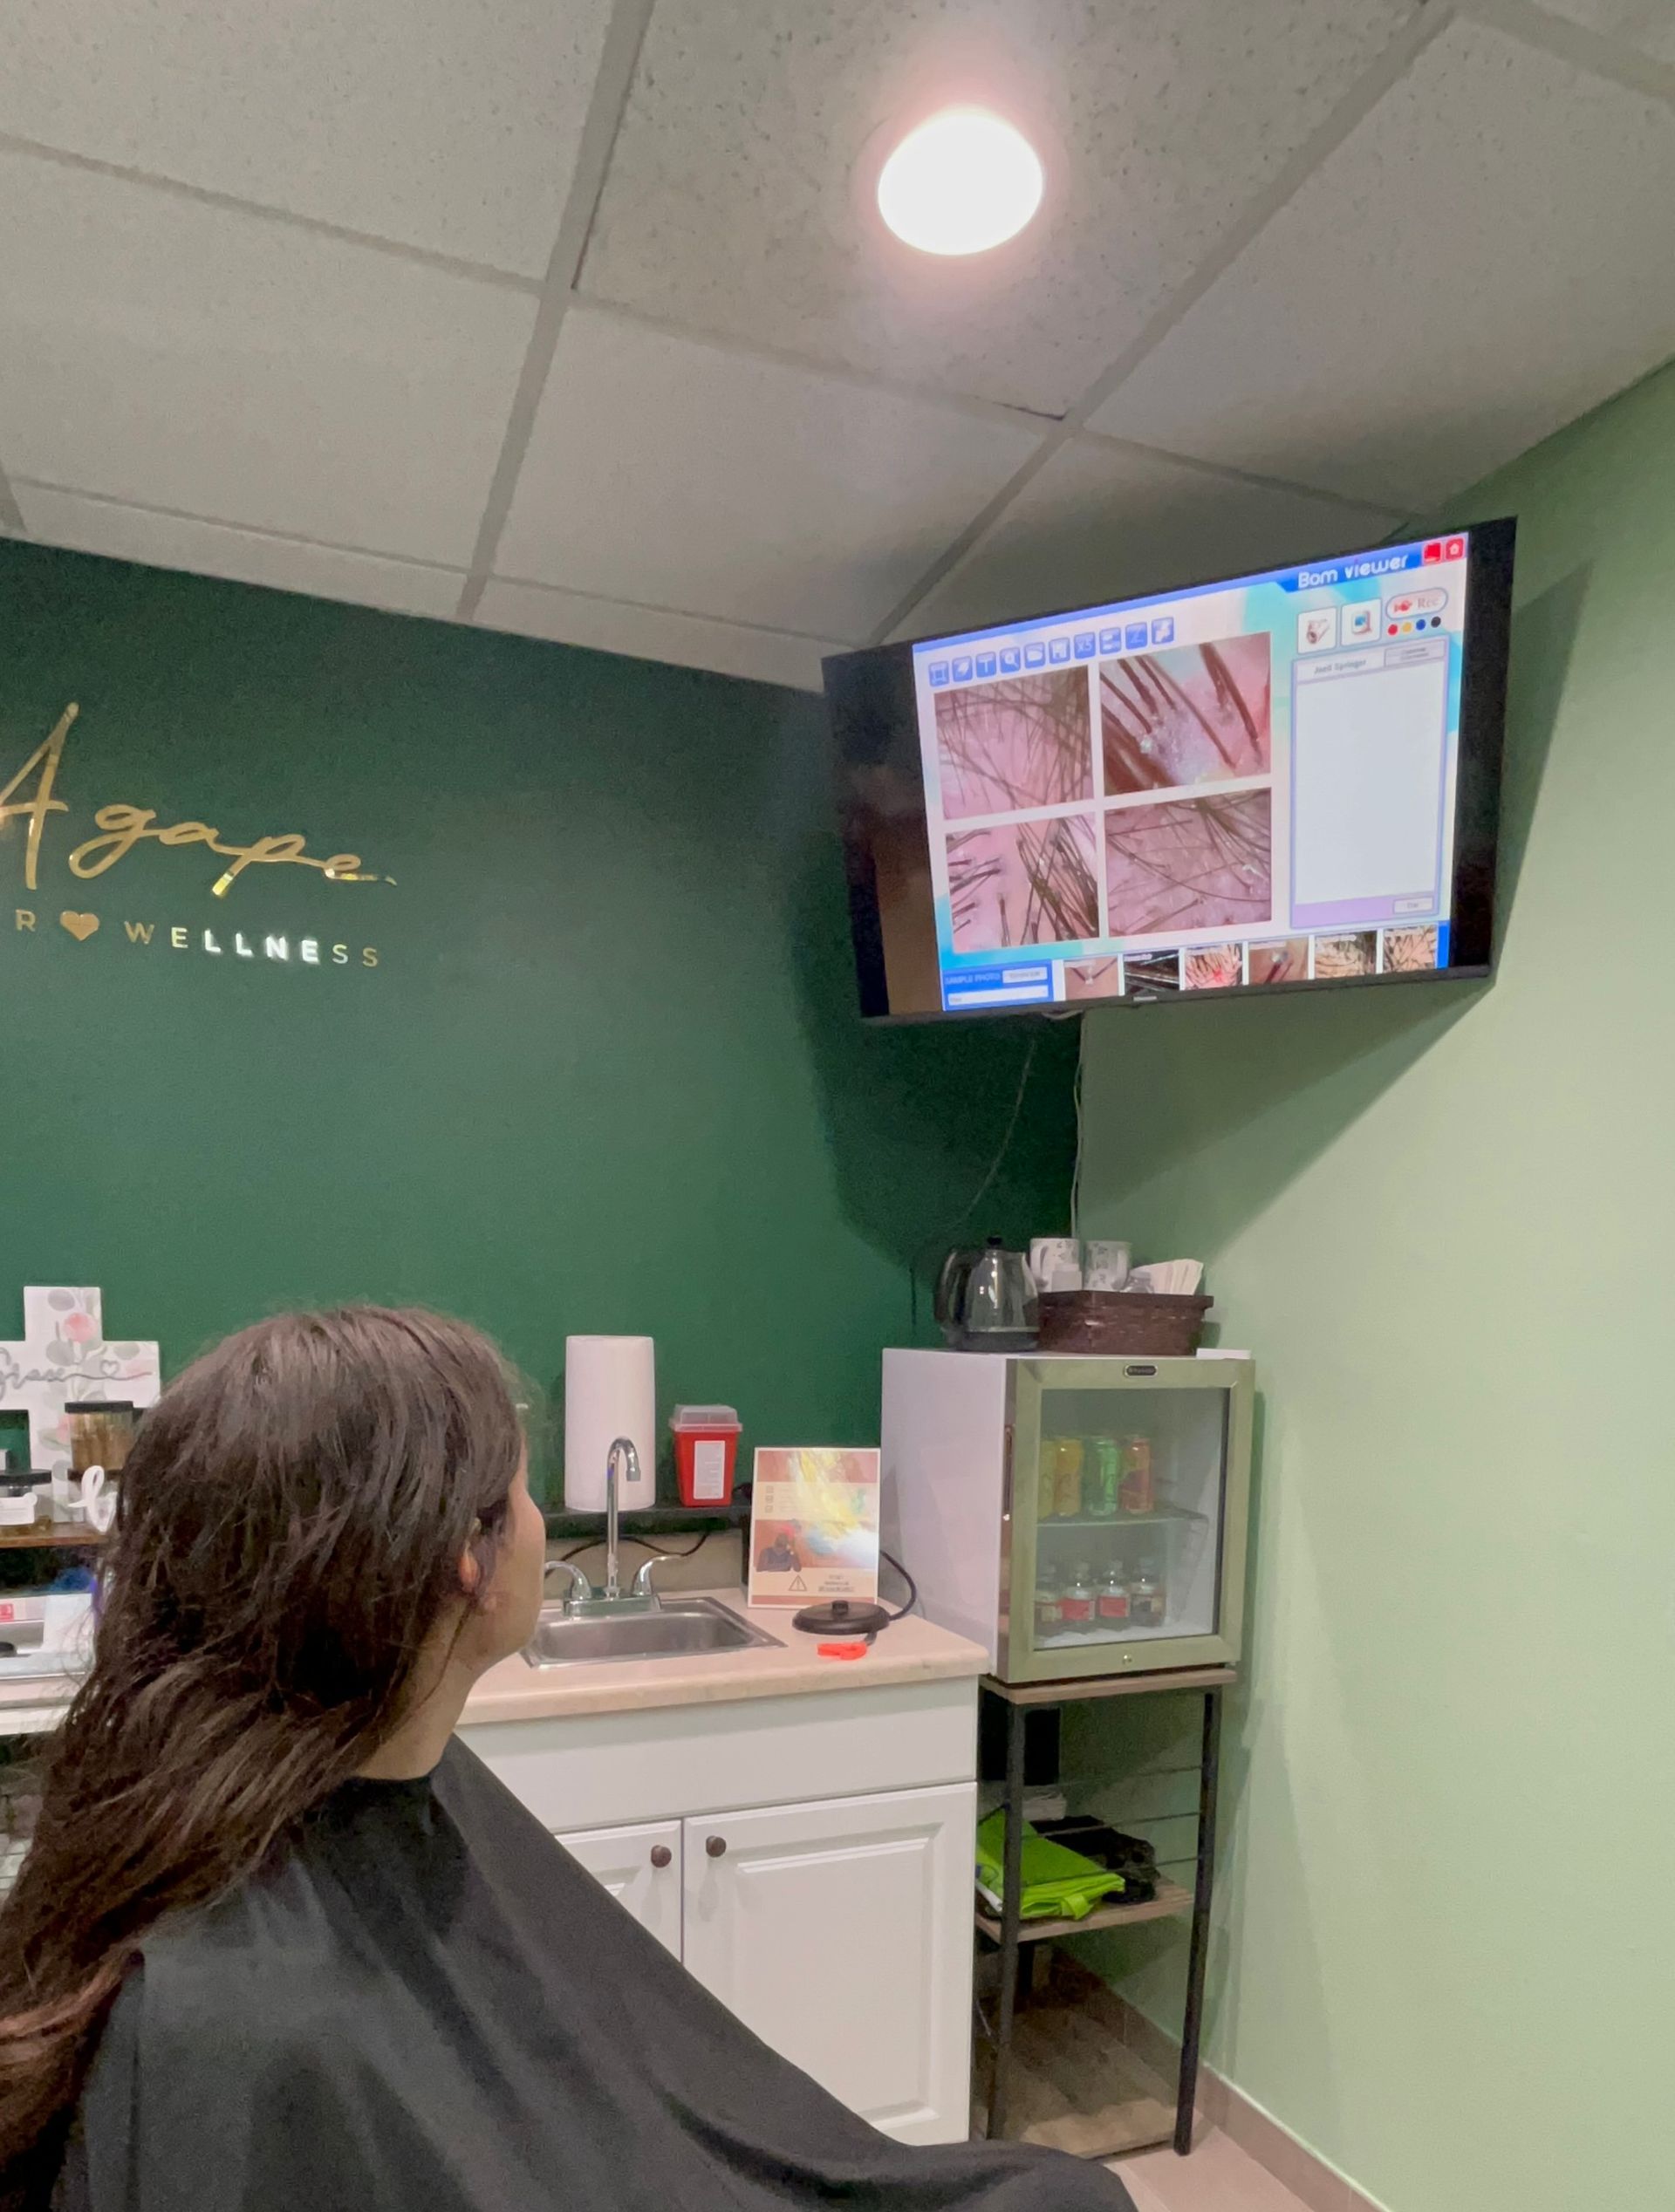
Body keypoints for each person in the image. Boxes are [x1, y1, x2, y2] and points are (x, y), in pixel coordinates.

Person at [0, 1307, 1136, 2212]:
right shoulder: (237, 2029)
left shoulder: (292, 1814)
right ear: (463, 1560)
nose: (539, 1515)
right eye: (523, 1488)